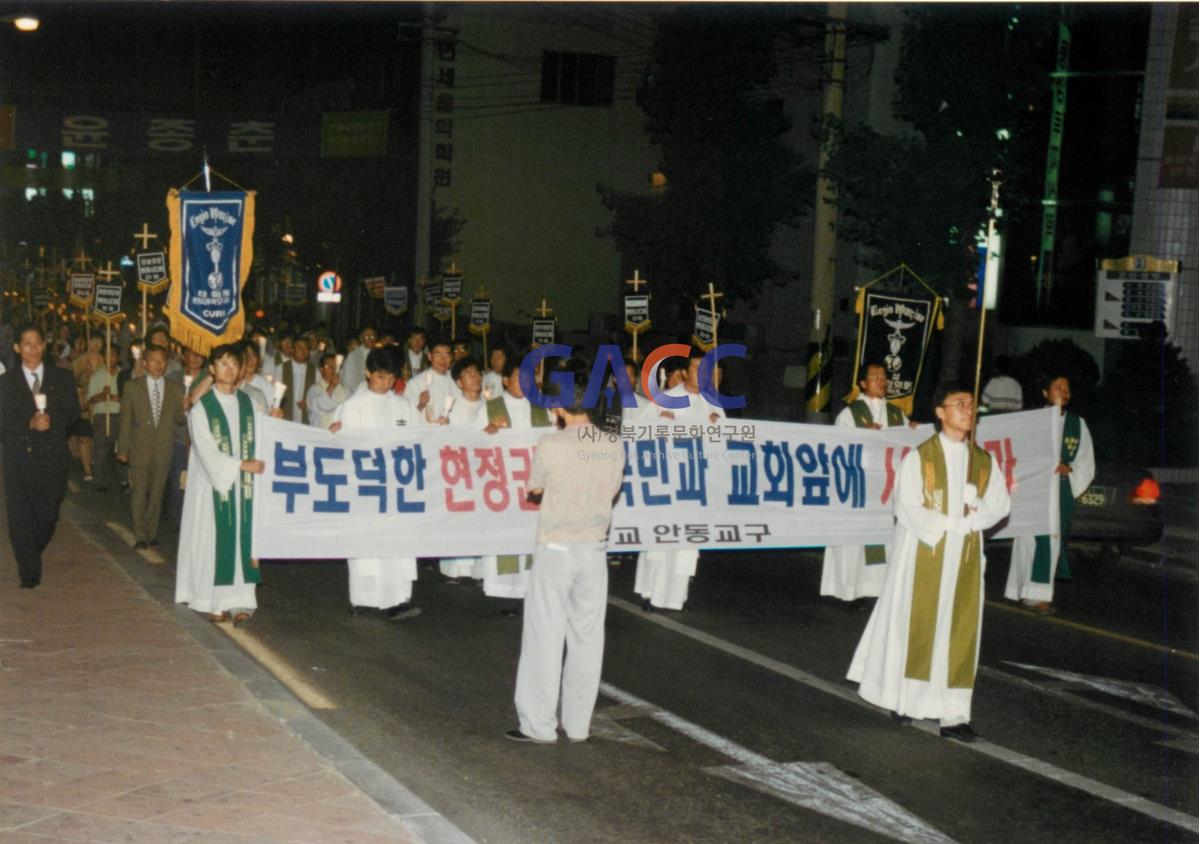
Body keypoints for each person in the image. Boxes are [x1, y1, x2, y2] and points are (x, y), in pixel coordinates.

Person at [847, 383, 1010, 743]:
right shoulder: (920, 457)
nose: (968, 410)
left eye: (971, 405)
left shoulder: (982, 461)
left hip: (965, 556)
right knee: (918, 625)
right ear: (940, 412)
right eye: (959, 404)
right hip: (925, 553)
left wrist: (976, 510)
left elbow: (1001, 505)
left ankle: (953, 714)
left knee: (960, 632)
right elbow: (905, 506)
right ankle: (906, 698)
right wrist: (951, 522)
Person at [507, 371, 625, 743]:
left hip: (556, 548)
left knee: (544, 636)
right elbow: (612, 490)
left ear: (557, 406)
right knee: (587, 639)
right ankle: (578, 725)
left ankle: (539, 726)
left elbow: (536, 489)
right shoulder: (613, 444)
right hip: (593, 549)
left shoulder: (550, 444)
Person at [175, 344, 279, 625]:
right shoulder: (202, 408)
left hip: (244, 488)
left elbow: (263, 438)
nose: (230, 369)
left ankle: (242, 601)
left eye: (234, 364)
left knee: (243, 541)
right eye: (223, 364)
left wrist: (274, 423)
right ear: (212, 369)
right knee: (215, 541)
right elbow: (207, 451)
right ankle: (213, 602)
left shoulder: (249, 404)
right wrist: (239, 465)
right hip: (214, 488)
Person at [633, 347, 725, 612]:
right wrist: (662, 422)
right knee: (661, 538)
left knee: (686, 541)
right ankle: (650, 593)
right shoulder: (668, 398)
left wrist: (717, 425)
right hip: (668, 480)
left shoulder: (713, 402)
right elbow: (643, 430)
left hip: (696, 484)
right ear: (685, 372)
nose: (701, 374)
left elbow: (725, 441)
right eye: (696, 368)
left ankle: (676, 595)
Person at [333, 349, 421, 620]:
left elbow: (415, 438)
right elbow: (342, 446)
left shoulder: (404, 406)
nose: (386, 382)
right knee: (366, 543)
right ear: (368, 373)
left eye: (391, 377)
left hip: (397, 484)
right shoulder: (352, 406)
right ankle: (364, 599)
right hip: (367, 484)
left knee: (396, 543)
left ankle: (398, 599)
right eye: (381, 376)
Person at [820, 363, 914, 606]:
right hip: (858, 488)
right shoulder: (849, 415)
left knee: (884, 539)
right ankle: (849, 590)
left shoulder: (897, 414)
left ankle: (878, 591)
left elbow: (906, 447)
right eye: (875, 377)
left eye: (884, 377)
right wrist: (864, 437)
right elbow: (839, 451)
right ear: (862, 383)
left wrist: (913, 431)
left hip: (887, 489)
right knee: (856, 542)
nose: (881, 381)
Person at [1004, 374, 1095, 613]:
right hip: (1034, 489)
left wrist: (1071, 469)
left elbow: (1086, 460)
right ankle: (1024, 589)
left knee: (1051, 540)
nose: (1064, 391)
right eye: (1058, 387)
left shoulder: (1078, 424)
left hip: (1060, 491)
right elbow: (1017, 453)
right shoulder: (1032, 421)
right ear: (1045, 392)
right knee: (1029, 539)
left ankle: (1040, 596)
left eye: (1067, 388)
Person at [1, 325, 79, 588]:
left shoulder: (63, 378)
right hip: (20, 460)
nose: (32, 349)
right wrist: (28, 424)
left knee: (47, 516)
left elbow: (73, 414)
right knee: (20, 516)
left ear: (44, 346)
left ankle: (30, 551)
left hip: (52, 459)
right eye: (26, 344)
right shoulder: (6, 383)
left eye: (37, 343)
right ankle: (29, 570)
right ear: (16, 348)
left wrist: (52, 421)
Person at [481, 358, 553, 608]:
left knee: (533, 534)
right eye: (518, 377)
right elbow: (472, 441)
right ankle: (505, 590)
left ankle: (532, 589)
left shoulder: (543, 408)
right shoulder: (490, 407)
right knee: (507, 534)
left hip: (535, 483)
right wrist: (488, 430)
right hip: (503, 484)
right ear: (505, 380)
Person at [116, 344, 186, 549]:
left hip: (163, 448)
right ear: (145, 363)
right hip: (139, 448)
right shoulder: (132, 387)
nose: (158, 365)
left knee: (157, 492)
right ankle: (140, 534)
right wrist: (122, 449)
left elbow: (180, 421)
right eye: (154, 360)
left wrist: (185, 407)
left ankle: (151, 531)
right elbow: (125, 419)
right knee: (139, 492)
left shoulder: (175, 388)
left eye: (162, 360)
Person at [86, 343, 122, 493]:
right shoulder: (98, 375)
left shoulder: (123, 374)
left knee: (120, 448)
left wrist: (116, 397)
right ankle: (99, 481)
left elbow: (129, 396)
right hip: (102, 416)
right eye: (106, 355)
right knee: (101, 449)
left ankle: (122, 480)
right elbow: (90, 399)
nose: (110, 358)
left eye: (113, 354)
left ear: (118, 357)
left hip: (120, 415)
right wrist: (102, 395)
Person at [404, 337, 460, 423]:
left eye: (447, 355)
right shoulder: (416, 383)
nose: (443, 359)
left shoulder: (457, 381)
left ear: (451, 358)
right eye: (438, 355)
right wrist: (421, 405)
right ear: (430, 356)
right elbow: (406, 415)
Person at [306, 352, 348, 429]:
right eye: (329, 366)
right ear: (321, 370)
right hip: (321, 433)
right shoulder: (314, 389)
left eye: (336, 367)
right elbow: (323, 406)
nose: (333, 370)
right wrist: (332, 386)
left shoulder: (345, 389)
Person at [279, 336, 316, 424]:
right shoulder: (281, 368)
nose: (303, 351)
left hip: (306, 417)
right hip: (286, 415)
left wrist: (309, 403)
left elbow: (318, 393)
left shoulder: (315, 371)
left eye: (306, 348)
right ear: (292, 349)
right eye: (299, 347)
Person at [339, 326, 378, 394]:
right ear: (361, 338)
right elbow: (347, 380)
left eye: (372, 336)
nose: (370, 339)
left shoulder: (379, 355)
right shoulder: (353, 356)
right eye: (367, 336)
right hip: (357, 393)